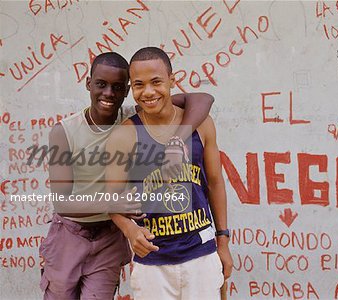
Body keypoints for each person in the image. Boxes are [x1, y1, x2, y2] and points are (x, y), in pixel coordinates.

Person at [39, 52, 214, 299]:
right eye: (101, 84)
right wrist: (112, 203)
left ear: (126, 90)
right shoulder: (65, 131)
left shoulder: (135, 116)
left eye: (118, 87)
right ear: (89, 83)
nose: (109, 93)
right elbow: (61, 202)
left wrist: (179, 138)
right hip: (71, 232)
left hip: (111, 234)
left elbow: (202, 99)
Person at [105, 47, 232, 300]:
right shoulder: (125, 134)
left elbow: (216, 184)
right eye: (139, 84)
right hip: (153, 262)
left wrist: (223, 242)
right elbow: (111, 199)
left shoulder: (201, 124)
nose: (148, 92)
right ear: (132, 89)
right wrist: (131, 231)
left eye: (156, 82)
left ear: (172, 81)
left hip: (201, 256)